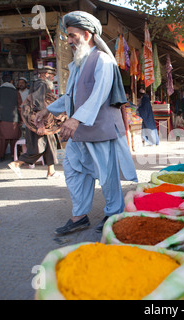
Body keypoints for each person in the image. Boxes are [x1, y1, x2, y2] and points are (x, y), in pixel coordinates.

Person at [34, 11, 138, 235]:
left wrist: (75, 119)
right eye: (67, 36)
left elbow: (99, 94)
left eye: (72, 35)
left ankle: (113, 213)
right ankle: (79, 215)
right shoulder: (77, 64)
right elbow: (69, 97)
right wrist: (47, 110)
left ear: (87, 34)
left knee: (107, 174)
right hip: (79, 130)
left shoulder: (103, 60)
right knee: (73, 169)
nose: (69, 41)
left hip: (100, 129)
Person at [8, 67, 63, 179]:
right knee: (39, 148)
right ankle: (17, 163)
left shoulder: (38, 84)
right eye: (52, 76)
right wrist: (40, 124)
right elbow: (38, 104)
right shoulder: (41, 84)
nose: (53, 78)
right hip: (40, 121)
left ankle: (51, 171)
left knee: (50, 145)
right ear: (46, 74)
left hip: (44, 121)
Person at [0, 74, 23, 162]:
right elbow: (20, 105)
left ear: (2, 81)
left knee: (0, 138)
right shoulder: (15, 91)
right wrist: (21, 118)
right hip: (14, 119)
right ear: (11, 81)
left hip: (1, 118)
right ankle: (14, 155)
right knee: (14, 138)